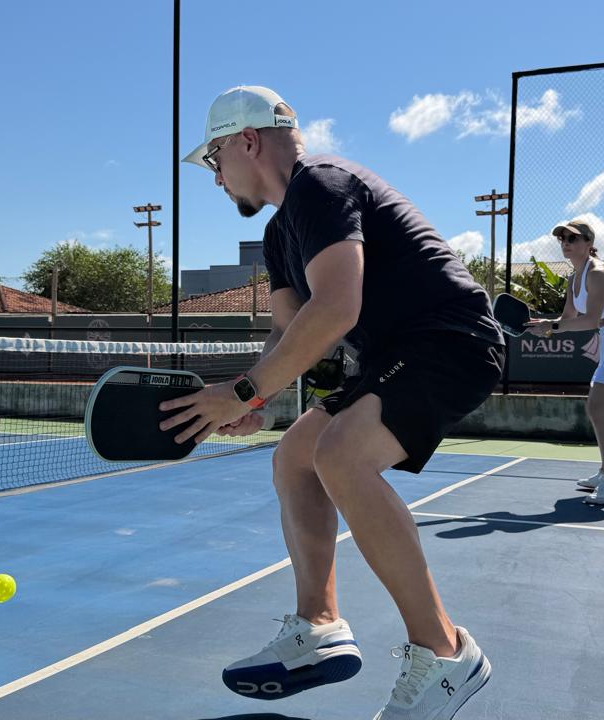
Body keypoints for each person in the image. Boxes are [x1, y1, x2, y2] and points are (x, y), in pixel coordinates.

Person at [163, 86, 503, 719]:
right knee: (295, 456)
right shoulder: (279, 233)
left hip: (449, 340)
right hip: (389, 355)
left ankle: (446, 654)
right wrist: (254, 398)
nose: (215, 178)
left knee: (342, 456)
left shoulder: (321, 184)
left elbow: (337, 307)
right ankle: (317, 627)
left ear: (247, 141)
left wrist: (243, 391)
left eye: (214, 159)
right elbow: (289, 332)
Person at [527, 221, 604, 504]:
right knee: (597, 409)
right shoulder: (574, 278)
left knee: (597, 408)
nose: (565, 243)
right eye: (562, 239)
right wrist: (545, 325)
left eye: (572, 238)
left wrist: (552, 327)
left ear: (588, 242)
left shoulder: (598, 273)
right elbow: (569, 319)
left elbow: (591, 320)